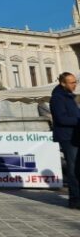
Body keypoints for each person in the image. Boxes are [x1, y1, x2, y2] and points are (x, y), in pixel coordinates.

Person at [50, 72, 80, 209]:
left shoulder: (69, 96)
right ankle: (75, 199)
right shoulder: (57, 98)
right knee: (73, 169)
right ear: (63, 83)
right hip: (67, 138)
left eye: (75, 82)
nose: (75, 85)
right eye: (72, 82)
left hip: (76, 136)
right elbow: (61, 119)